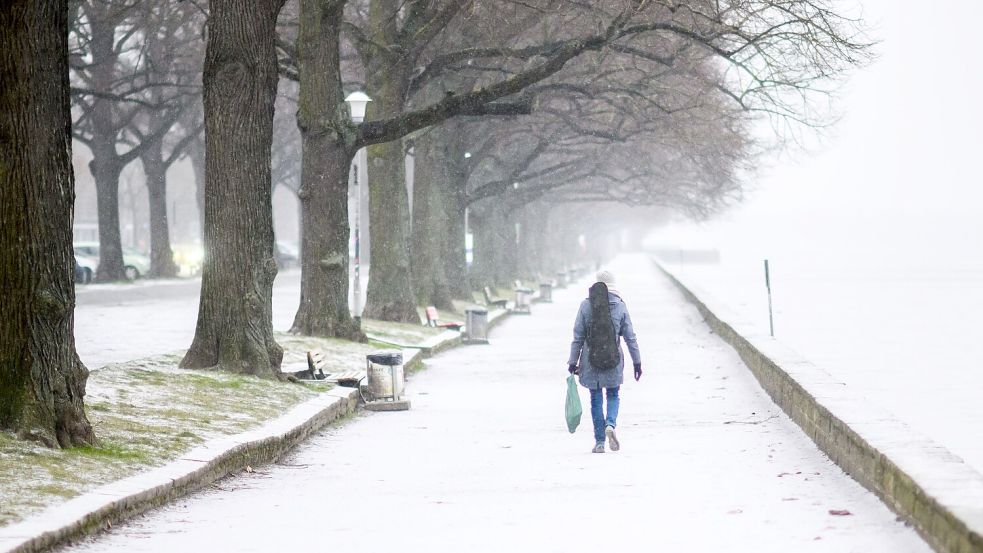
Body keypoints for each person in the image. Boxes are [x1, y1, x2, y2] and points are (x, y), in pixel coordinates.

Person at [567, 270, 642, 453]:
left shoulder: (586, 305)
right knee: (613, 395)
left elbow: (578, 337)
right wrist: (637, 362)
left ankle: (600, 441)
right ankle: (610, 424)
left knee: (595, 399)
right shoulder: (620, 306)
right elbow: (630, 337)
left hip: (591, 360)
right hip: (613, 359)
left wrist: (572, 361)